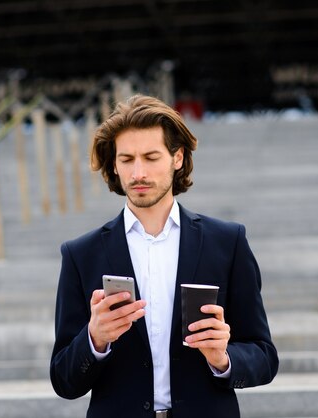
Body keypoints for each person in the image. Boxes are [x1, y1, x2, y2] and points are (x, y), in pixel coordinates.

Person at [50, 94, 278, 418]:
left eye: (151, 157)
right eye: (127, 159)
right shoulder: (80, 254)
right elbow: (63, 379)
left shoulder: (227, 242)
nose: (138, 172)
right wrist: (94, 339)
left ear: (178, 158)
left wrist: (222, 358)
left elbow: (264, 356)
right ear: (114, 164)